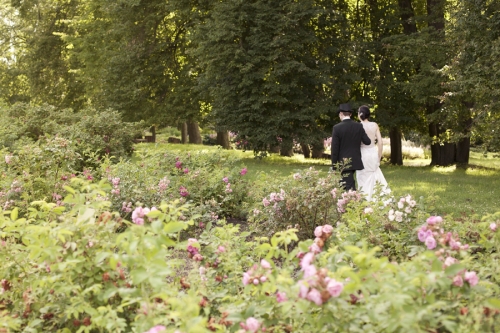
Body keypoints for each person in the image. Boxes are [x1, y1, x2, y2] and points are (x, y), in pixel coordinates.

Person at [331, 103, 371, 191]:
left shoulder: (337, 128)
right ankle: (346, 202)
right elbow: (367, 142)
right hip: (355, 160)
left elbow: (335, 149)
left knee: (348, 186)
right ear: (351, 114)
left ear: (341, 114)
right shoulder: (358, 126)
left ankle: (353, 201)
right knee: (344, 184)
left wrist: (334, 166)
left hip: (344, 162)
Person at [355, 105, 389, 200]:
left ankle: (364, 199)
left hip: (362, 154)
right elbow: (380, 142)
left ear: (360, 114)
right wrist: (379, 156)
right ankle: (378, 198)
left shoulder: (358, 126)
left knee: (362, 176)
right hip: (373, 153)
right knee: (375, 176)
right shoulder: (374, 125)